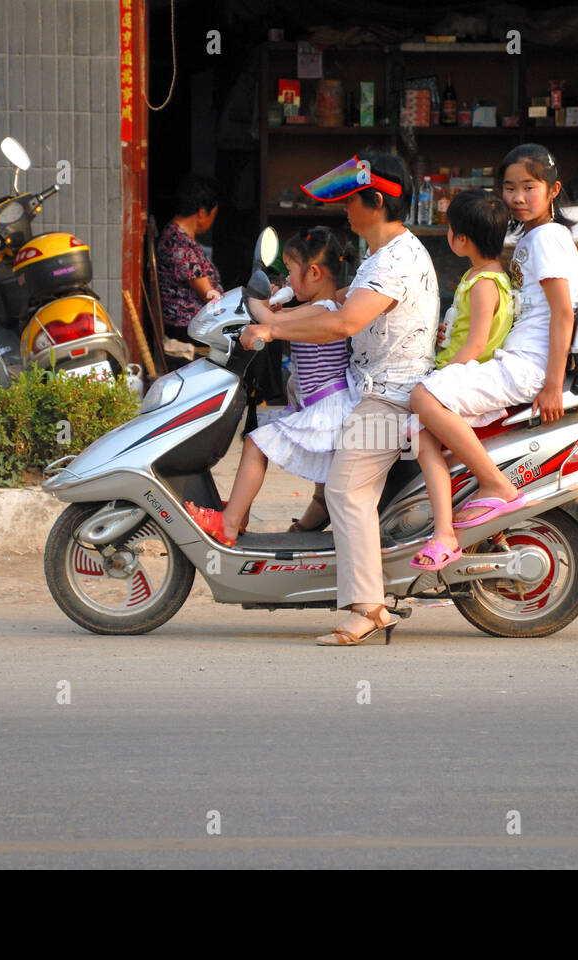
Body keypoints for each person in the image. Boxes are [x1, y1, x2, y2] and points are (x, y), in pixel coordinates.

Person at [242, 152, 439, 646]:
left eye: (350, 202)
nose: (344, 212)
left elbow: (343, 323)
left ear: (375, 202)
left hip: (388, 397)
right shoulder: (381, 254)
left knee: (346, 491)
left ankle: (369, 609)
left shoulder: (392, 260)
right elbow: (334, 310)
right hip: (369, 387)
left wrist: (271, 328)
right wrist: (272, 325)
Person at [407, 144, 578, 563]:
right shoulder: (532, 239)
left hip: (528, 367)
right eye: (509, 188)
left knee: (422, 397)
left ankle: (496, 487)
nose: (518, 198)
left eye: (529, 187)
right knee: (424, 431)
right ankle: (445, 534)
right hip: (517, 361)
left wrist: (552, 385)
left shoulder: (546, 239)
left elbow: (562, 313)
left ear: (553, 189)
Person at [183, 227, 352, 544]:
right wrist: (270, 306)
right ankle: (241, 513)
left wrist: (254, 299)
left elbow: (274, 324)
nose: (288, 281)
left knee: (256, 444)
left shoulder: (323, 310)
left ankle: (230, 524)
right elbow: (281, 319)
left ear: (313, 273)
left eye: (290, 272)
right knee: (261, 436)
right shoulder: (317, 307)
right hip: (319, 406)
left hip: (329, 410)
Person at [407, 190, 514, 571]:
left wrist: (442, 374)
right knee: (420, 435)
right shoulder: (476, 276)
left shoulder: (486, 283)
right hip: (459, 371)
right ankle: (445, 530)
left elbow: (477, 343)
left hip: (471, 377)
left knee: (420, 422)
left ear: (461, 239)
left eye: (450, 229)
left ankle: (452, 524)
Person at [157, 174, 222, 342]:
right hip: (188, 326)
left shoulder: (177, 235)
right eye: (212, 215)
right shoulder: (179, 243)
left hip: (195, 322)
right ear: (201, 213)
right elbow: (207, 294)